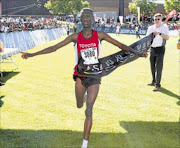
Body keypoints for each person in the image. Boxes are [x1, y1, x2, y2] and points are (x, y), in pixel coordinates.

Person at [21, 8, 147, 148]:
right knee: (79, 104)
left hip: (95, 76)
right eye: (83, 17)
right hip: (80, 75)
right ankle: (85, 96)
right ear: (80, 19)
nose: (86, 19)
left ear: (93, 19)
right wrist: (32, 54)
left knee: (89, 110)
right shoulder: (75, 37)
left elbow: (121, 46)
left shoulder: (100, 35)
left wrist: (137, 53)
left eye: (88, 16)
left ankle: (84, 144)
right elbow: (54, 48)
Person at [146, 13, 169, 91]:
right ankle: (153, 81)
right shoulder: (151, 27)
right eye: (155, 19)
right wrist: (147, 48)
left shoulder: (164, 27)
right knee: (152, 66)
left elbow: (167, 37)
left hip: (160, 49)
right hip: (152, 49)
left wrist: (159, 33)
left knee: (158, 67)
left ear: (161, 19)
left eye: (158, 19)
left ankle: (157, 85)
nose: (156, 20)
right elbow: (147, 39)